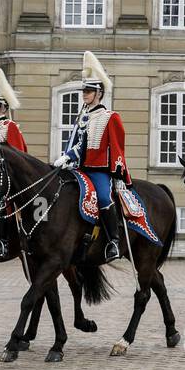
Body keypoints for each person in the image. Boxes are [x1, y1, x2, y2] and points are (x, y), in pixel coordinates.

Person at [52, 51, 127, 261]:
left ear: (99, 93)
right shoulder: (82, 116)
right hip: (78, 169)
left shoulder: (109, 117)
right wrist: (67, 158)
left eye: (89, 91)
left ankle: (113, 240)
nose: (85, 94)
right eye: (84, 90)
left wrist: (118, 175)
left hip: (98, 171)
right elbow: (75, 143)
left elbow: (116, 148)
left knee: (103, 197)